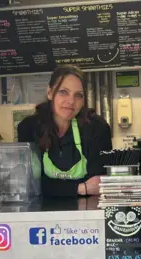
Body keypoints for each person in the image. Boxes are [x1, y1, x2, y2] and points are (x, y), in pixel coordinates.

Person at [17, 65, 112, 198]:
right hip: (40, 213)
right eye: (63, 92)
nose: (71, 101)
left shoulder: (96, 128)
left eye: (78, 95)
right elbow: (30, 184)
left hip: (87, 213)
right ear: (50, 93)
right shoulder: (29, 127)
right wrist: (80, 188)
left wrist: (54, 187)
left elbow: (97, 184)